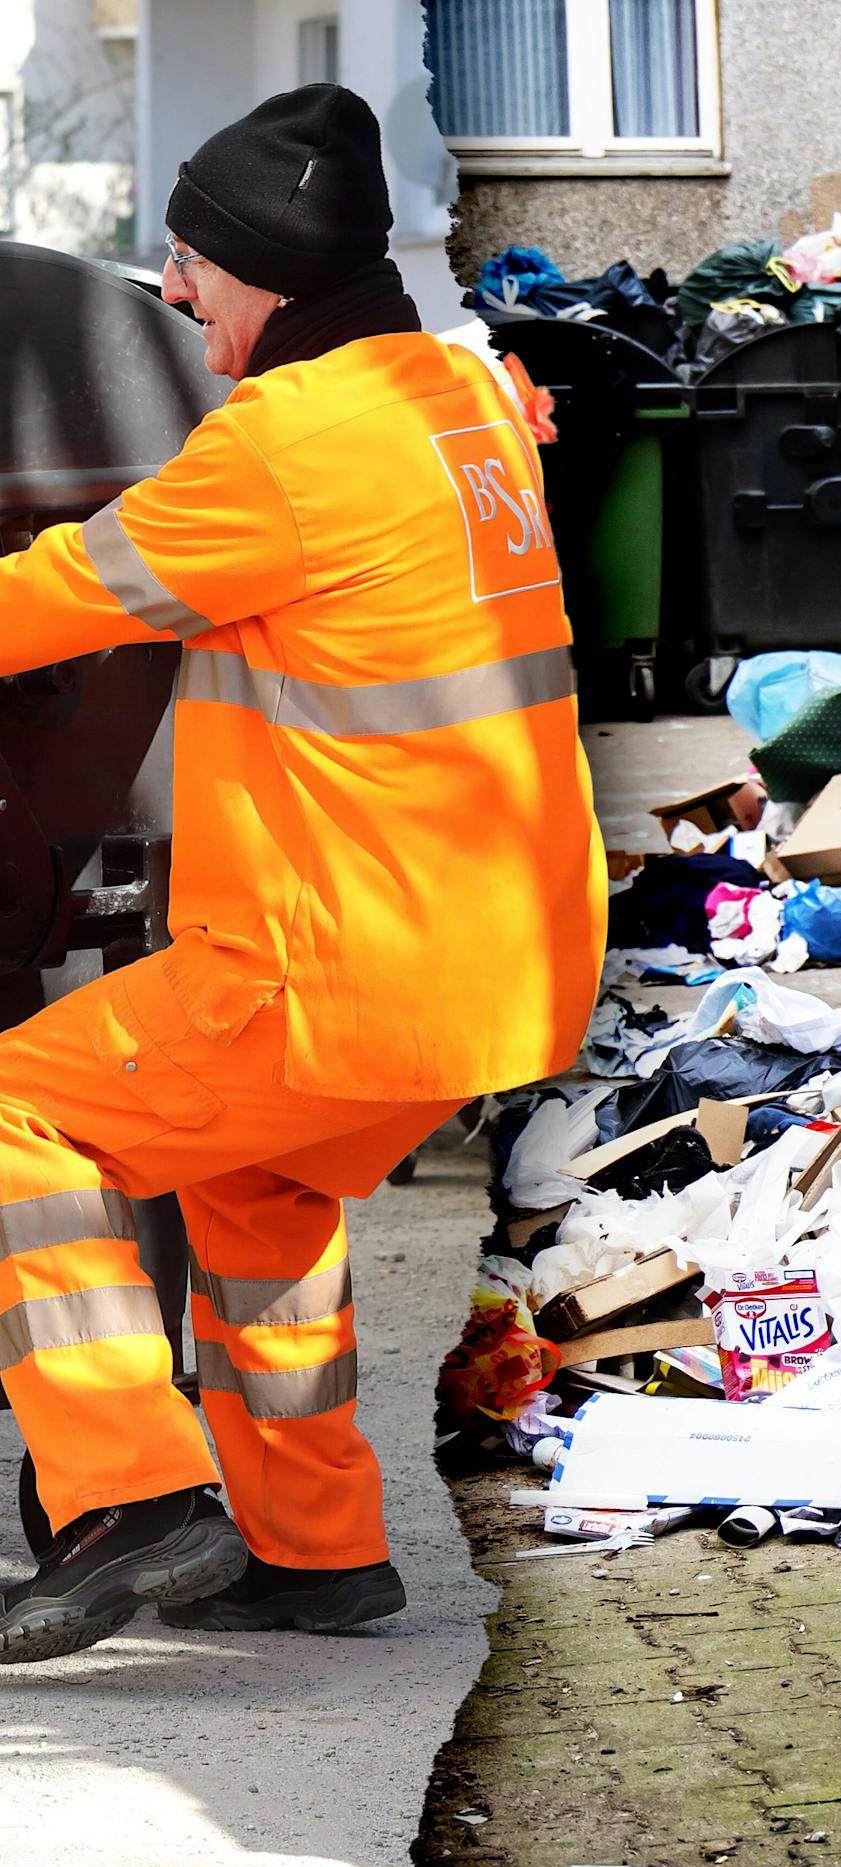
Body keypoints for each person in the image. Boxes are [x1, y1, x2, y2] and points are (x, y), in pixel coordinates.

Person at [0, 84, 605, 1660]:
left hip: (348, 968)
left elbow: (50, 604)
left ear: (261, 277)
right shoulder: (462, 399)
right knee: (258, 1185)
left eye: (189, 260)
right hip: (506, 963)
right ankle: (315, 1546)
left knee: (18, 1111)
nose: (171, 289)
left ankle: (131, 1494)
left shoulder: (281, 447)